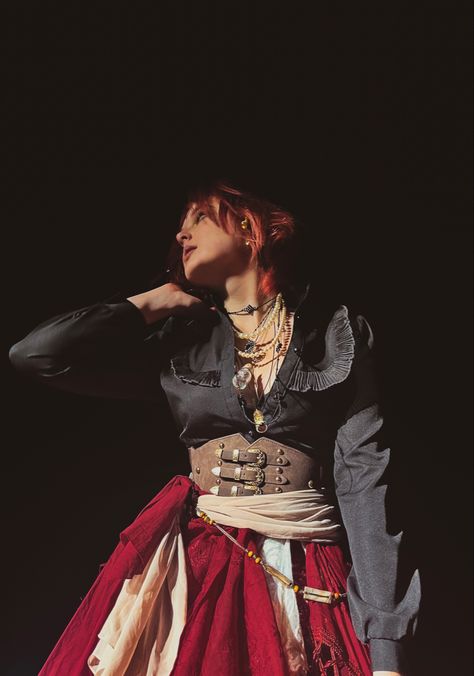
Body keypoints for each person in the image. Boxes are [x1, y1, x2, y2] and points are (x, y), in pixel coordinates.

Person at [8, 179, 421, 676]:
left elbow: (365, 482)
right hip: (205, 565)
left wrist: (386, 654)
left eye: (197, 218)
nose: (181, 234)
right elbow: (37, 356)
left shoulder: (335, 334)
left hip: (306, 562)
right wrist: (149, 305)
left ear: (250, 228)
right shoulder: (181, 339)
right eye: (180, 225)